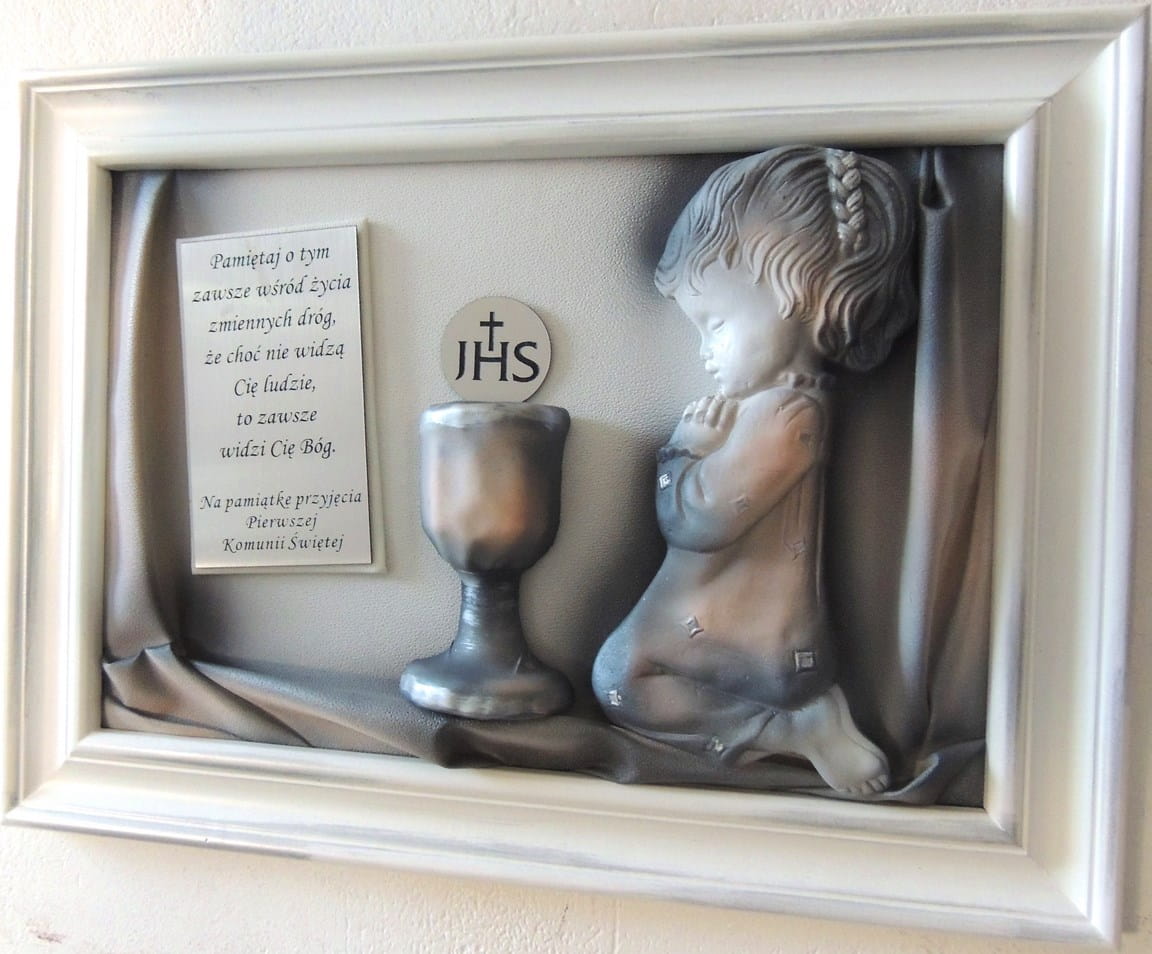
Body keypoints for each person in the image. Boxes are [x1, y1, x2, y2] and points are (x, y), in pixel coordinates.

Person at [592, 146, 916, 795]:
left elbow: (699, 521)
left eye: (715, 324)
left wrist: (681, 453)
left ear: (796, 293)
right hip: (744, 643)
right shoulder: (782, 408)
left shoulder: (785, 415)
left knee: (620, 681)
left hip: (743, 653)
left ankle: (791, 728)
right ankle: (792, 726)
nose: (705, 352)